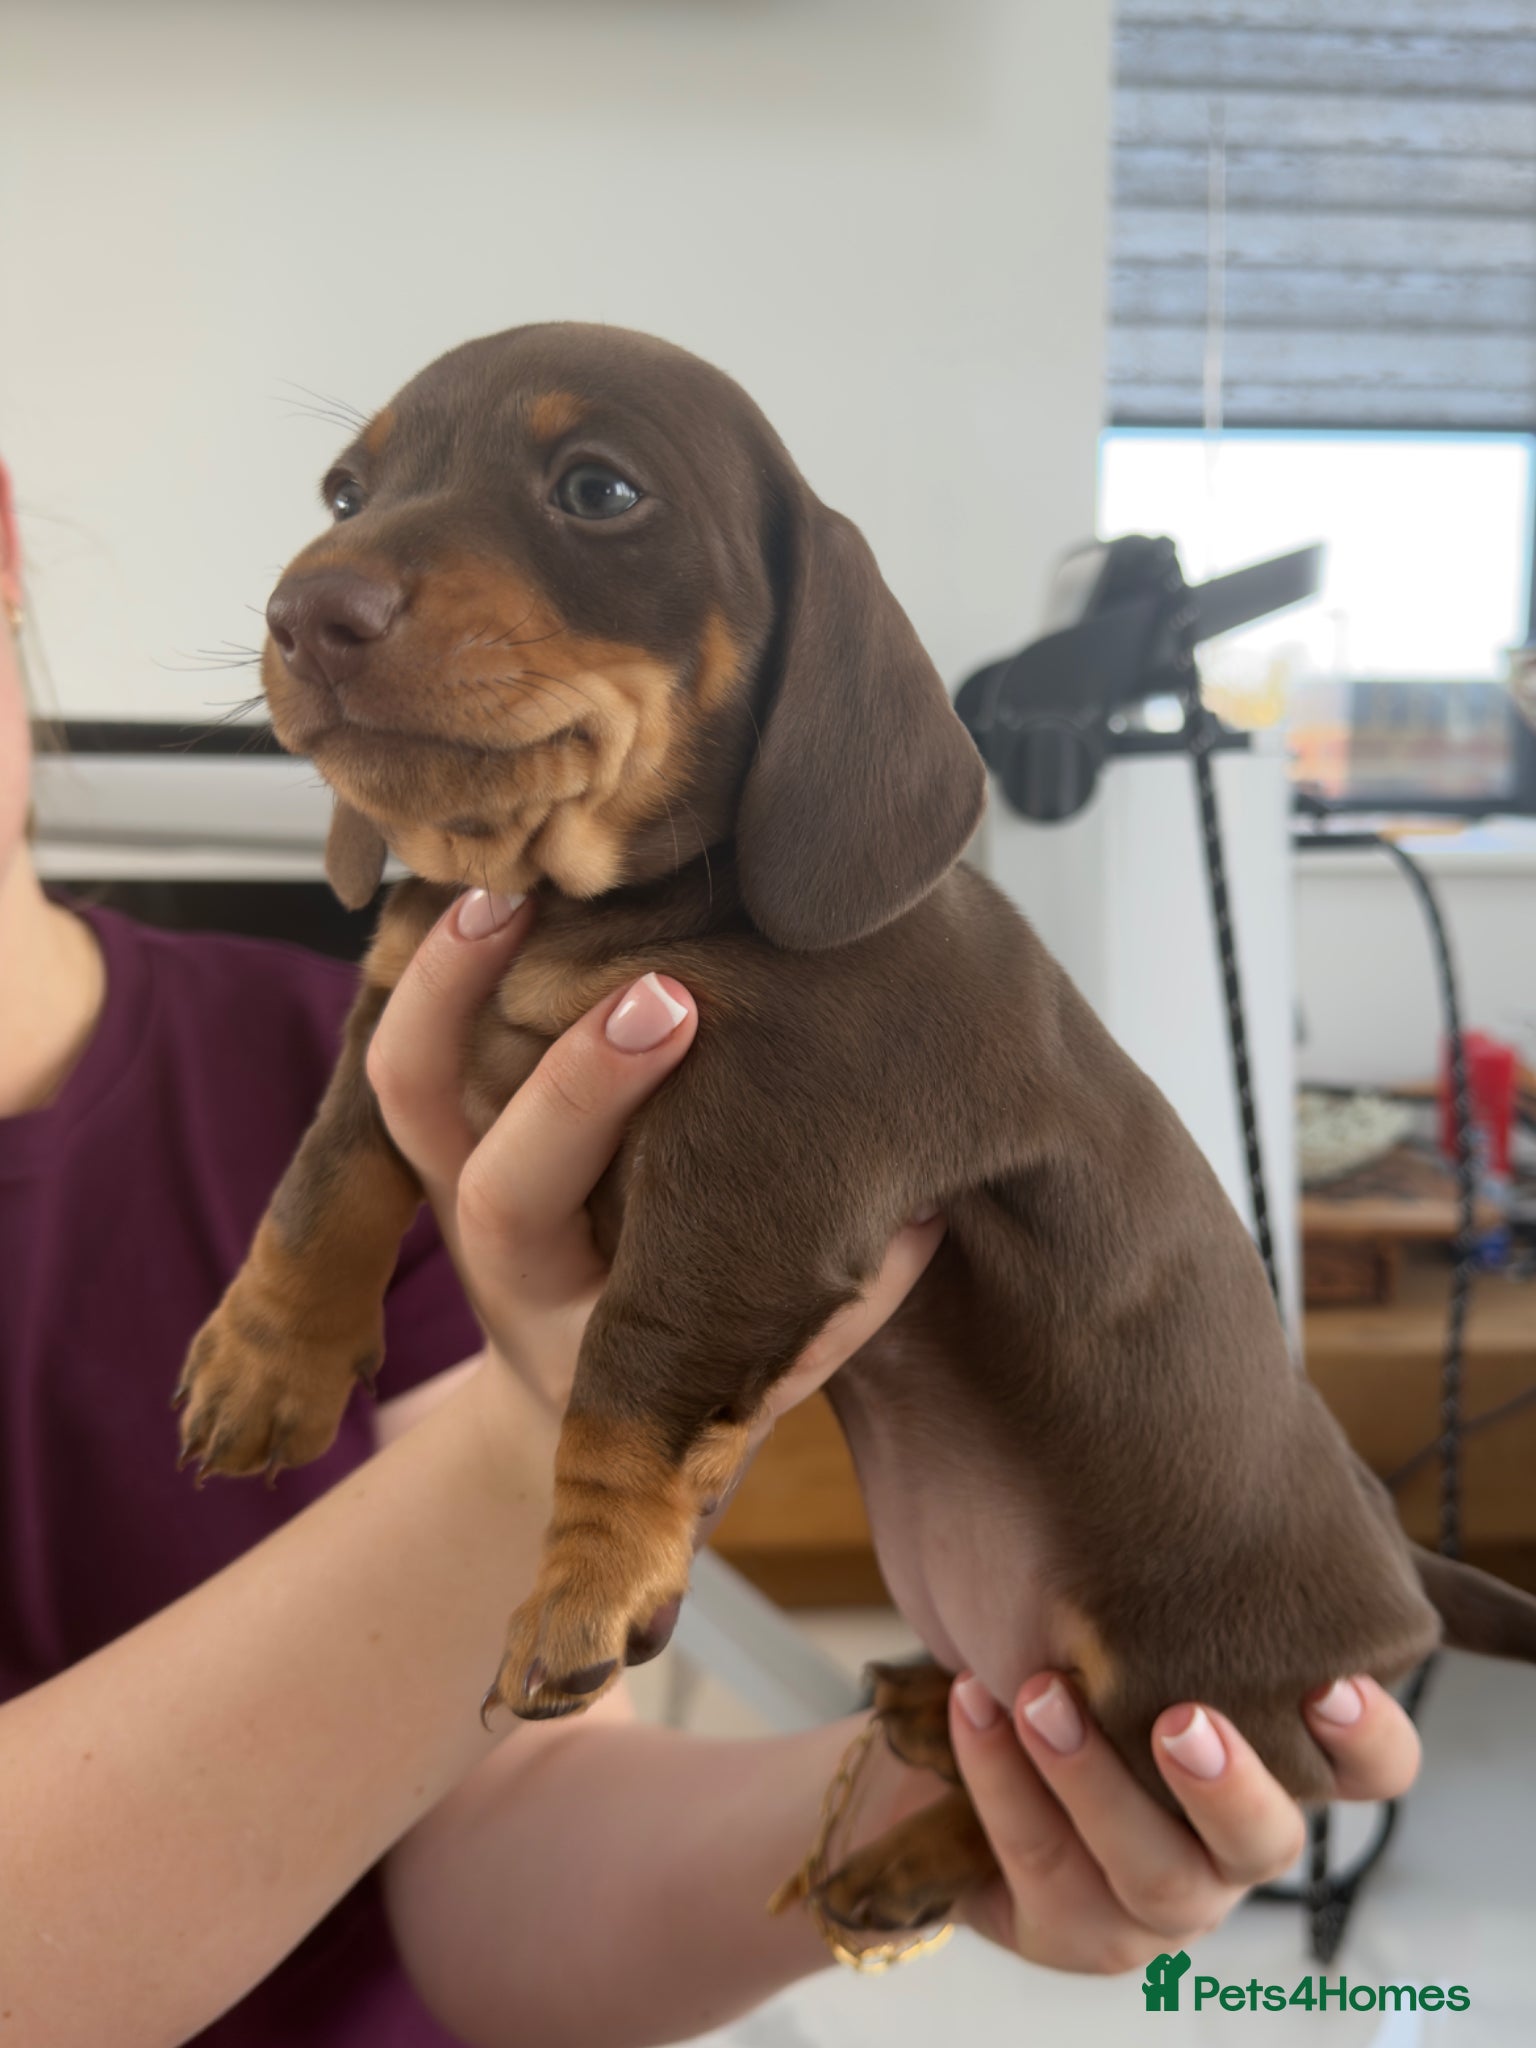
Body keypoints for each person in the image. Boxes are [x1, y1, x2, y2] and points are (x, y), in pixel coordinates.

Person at [0, 452, 1421, 2047]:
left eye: (598, 495)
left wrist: (943, 1801)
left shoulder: (331, 1068)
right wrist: (543, 1450)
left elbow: (492, 1863)